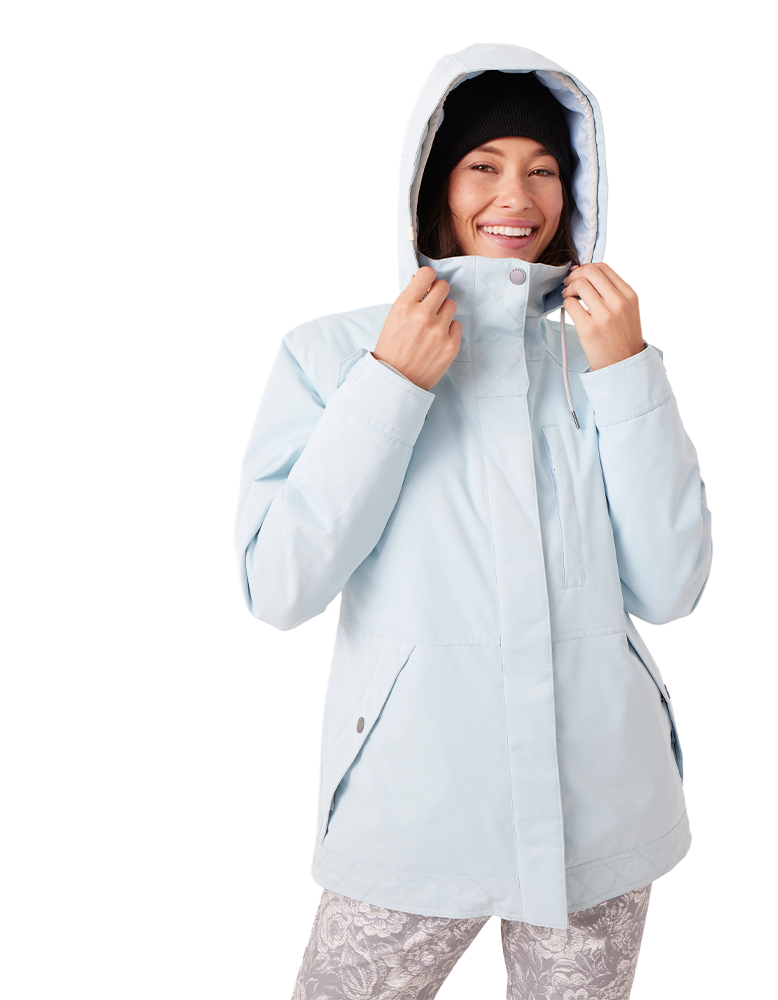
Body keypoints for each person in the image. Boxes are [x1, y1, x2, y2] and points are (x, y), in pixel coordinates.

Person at [235, 43, 712, 1000]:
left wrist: (627, 374)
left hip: (601, 811)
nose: (516, 196)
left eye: (545, 169)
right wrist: (391, 383)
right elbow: (278, 586)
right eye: (483, 165)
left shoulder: (604, 357)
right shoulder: (333, 354)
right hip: (416, 809)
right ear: (434, 185)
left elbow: (671, 586)